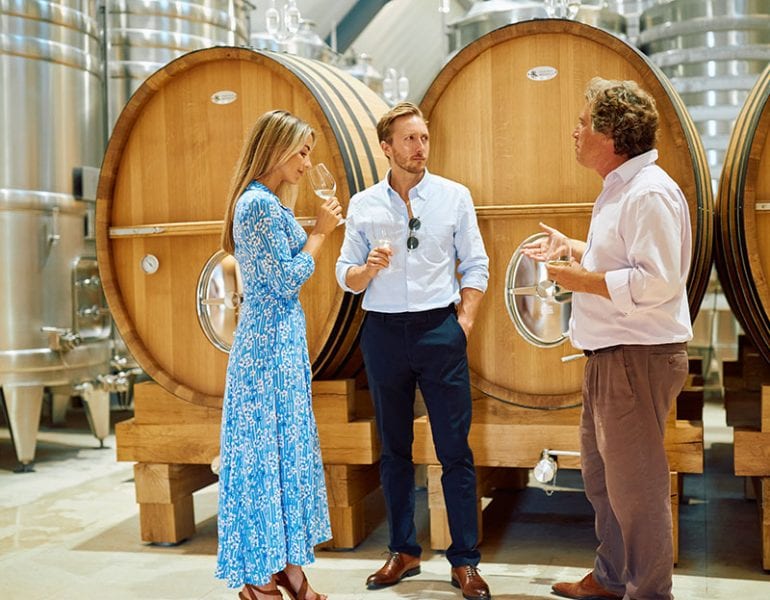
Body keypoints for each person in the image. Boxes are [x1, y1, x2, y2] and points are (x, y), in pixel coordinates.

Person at [525, 78, 692, 600]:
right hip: (609, 357)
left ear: (612, 135)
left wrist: (575, 280)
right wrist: (574, 249)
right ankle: (612, 576)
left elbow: (657, 282)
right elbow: (623, 262)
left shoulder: (649, 193)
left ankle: (649, 592)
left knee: (636, 490)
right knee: (603, 482)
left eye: (583, 124)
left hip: (635, 358)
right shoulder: (621, 189)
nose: (574, 132)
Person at [335, 102, 492, 600]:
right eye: (409, 139)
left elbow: (477, 263)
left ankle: (464, 561)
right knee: (394, 450)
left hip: (439, 329)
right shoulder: (363, 204)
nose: (420, 147)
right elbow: (346, 276)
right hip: (382, 331)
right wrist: (369, 270)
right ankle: (402, 550)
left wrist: (463, 321)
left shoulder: (453, 196)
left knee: (454, 450)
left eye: (424, 138)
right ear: (387, 147)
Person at [216, 110, 342, 600]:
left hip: (279, 346)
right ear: (276, 149)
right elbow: (283, 281)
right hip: (266, 351)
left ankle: (287, 569)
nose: (308, 164)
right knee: (264, 460)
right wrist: (321, 233)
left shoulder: (268, 203)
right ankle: (258, 577)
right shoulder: (257, 206)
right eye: (303, 152)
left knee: (282, 458)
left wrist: (310, 230)